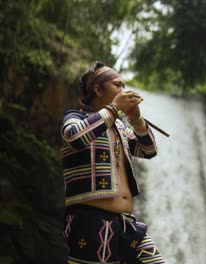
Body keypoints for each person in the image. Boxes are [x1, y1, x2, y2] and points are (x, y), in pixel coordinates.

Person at [61, 61, 165, 264]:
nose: (123, 90)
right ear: (98, 89)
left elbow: (148, 150)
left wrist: (136, 119)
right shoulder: (74, 118)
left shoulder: (118, 126)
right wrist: (115, 108)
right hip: (90, 222)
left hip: (125, 225)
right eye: (118, 85)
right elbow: (73, 136)